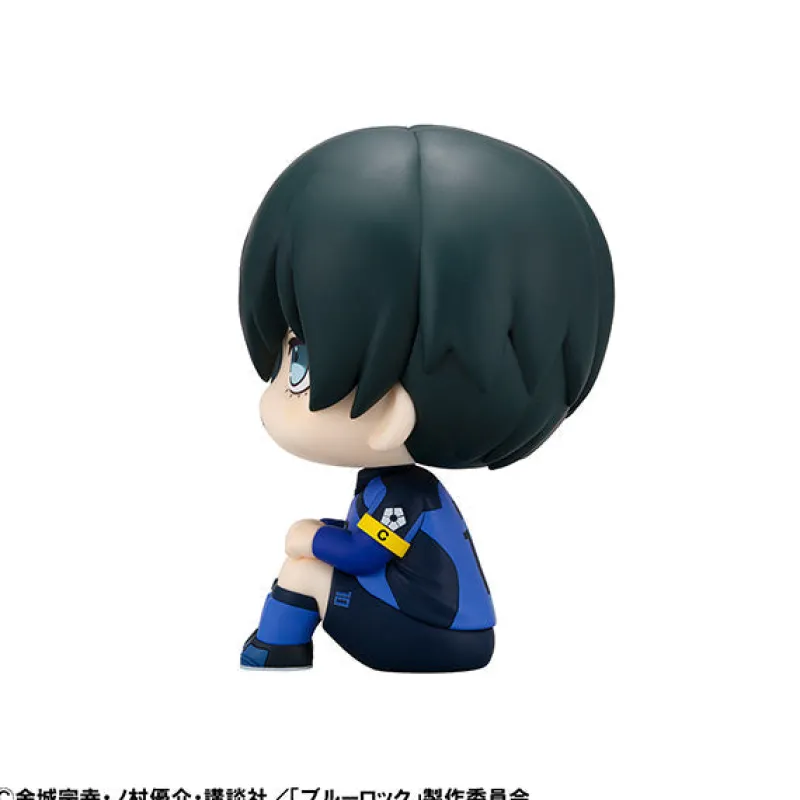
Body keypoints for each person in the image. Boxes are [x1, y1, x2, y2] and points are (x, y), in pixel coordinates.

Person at [237, 125, 614, 672]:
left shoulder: (405, 493)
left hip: (429, 636)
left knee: (301, 571)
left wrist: (310, 537)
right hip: (430, 626)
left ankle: (273, 653)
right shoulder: (396, 487)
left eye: (299, 364)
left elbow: (365, 552)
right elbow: (375, 543)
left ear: (392, 412)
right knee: (308, 556)